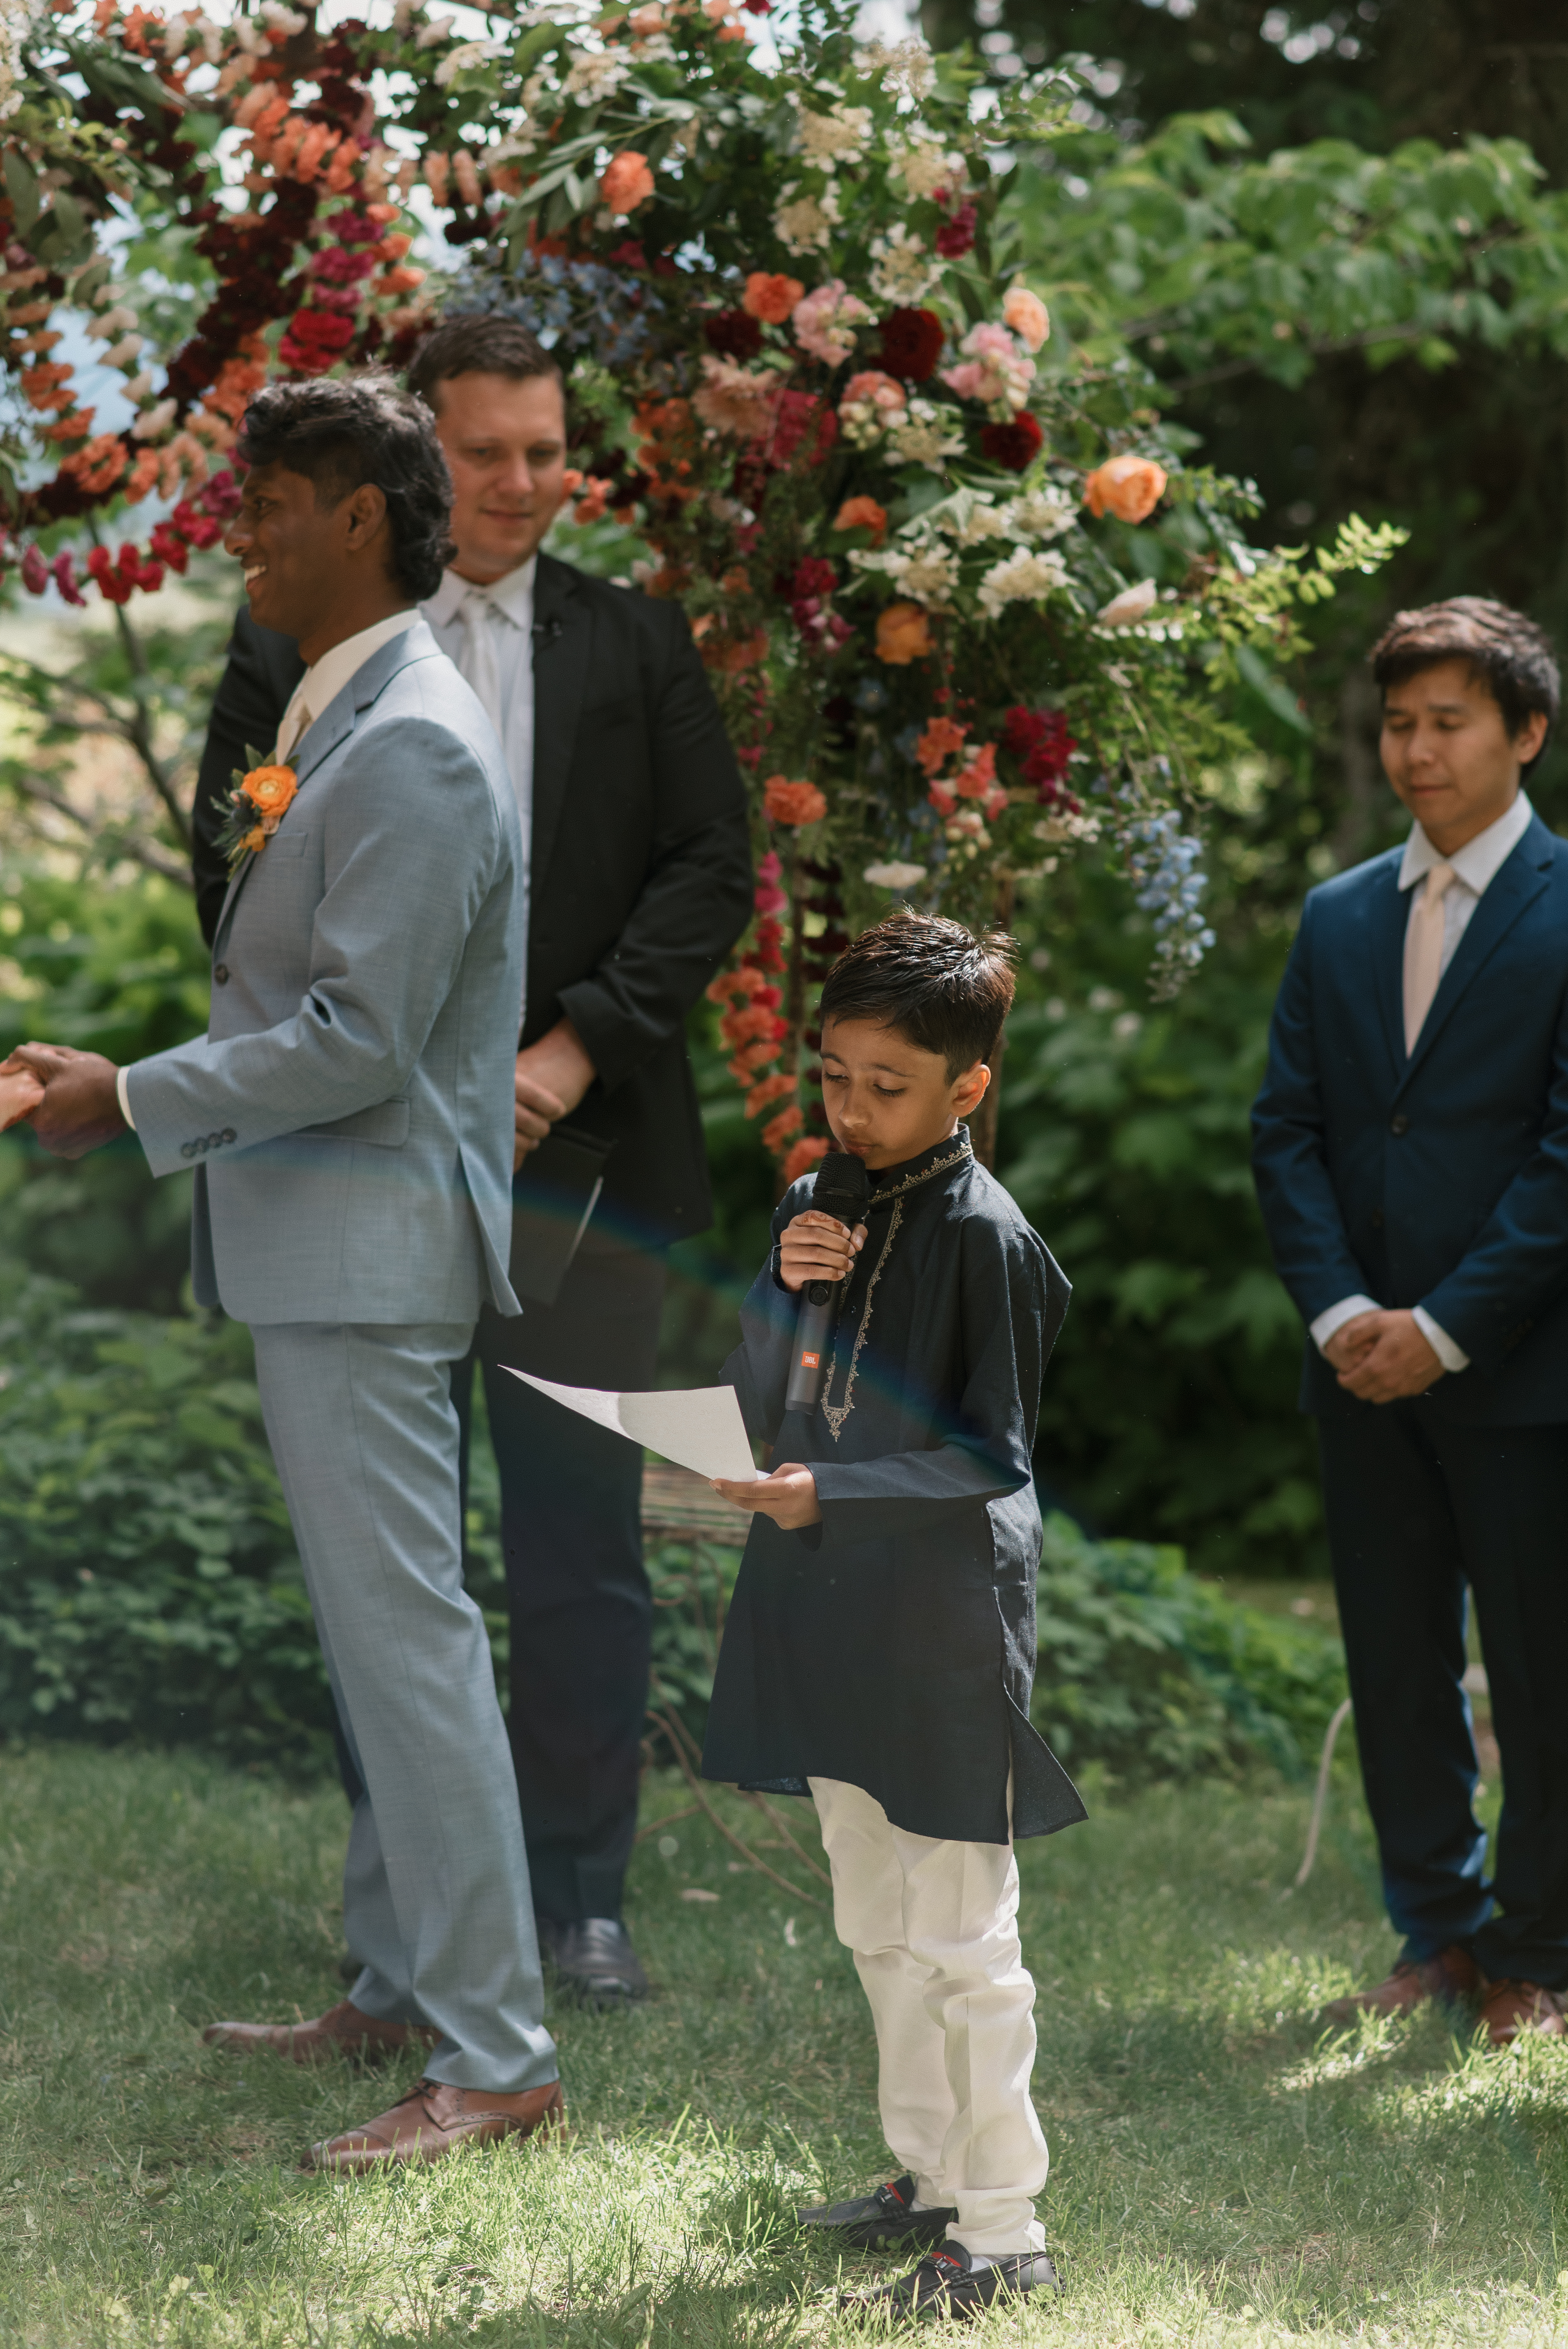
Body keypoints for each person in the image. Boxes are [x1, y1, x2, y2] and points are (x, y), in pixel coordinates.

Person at [16, 374, 564, 2172]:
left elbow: (351, 1040)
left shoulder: (407, 736)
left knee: (408, 1649)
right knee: (375, 1642)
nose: (237, 529)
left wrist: (133, 1100)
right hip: (331, 1246)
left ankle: (496, 2059)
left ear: (357, 519)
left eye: (266, 502)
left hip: (366, 1248)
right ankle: (403, 1984)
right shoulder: (353, 715)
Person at [191, 315, 753, 2005]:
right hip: (371, 1170)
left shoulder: (633, 641)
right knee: (391, 1559)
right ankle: (424, 1922)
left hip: (581, 1172)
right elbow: (233, 877)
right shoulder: (296, 642)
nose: (521, 481)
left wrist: (564, 1046)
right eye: (485, 452)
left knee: (577, 1546)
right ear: (414, 471)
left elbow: (706, 871)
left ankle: (577, 1900)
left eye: (543, 448)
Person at [702, 912, 1083, 2323]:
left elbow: (993, 1455)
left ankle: (1005, 2227)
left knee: (963, 1934)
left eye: (888, 1085)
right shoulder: (820, 1196)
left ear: (967, 1087)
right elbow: (764, 1386)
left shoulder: (989, 1239)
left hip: (937, 1623)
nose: (851, 1111)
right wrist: (779, 1288)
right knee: (870, 1912)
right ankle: (925, 2179)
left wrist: (834, 1496)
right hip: (825, 1605)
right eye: (835, 1076)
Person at [1252, 596, 1568, 2046]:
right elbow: (1290, 1135)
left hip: (1521, 1366)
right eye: (1397, 722)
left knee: (1542, 1661)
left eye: (1449, 722)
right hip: (1356, 1368)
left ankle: (1539, 1954)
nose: (1417, 749)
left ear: (1525, 733)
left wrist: (1442, 1325)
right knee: (1393, 1659)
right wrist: (1337, 1316)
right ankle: (1433, 1934)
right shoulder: (1333, 917)